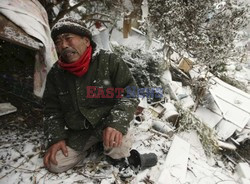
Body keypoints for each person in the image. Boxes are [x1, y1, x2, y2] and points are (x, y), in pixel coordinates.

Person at [43, 17, 139, 173]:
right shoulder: (56, 73)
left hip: (108, 123)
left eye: (68, 39)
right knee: (55, 163)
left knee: (119, 150)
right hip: (79, 131)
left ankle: (107, 142)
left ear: (86, 41)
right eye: (58, 42)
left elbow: (131, 92)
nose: (64, 45)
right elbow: (51, 109)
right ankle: (91, 147)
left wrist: (116, 124)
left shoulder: (109, 61)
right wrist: (57, 137)